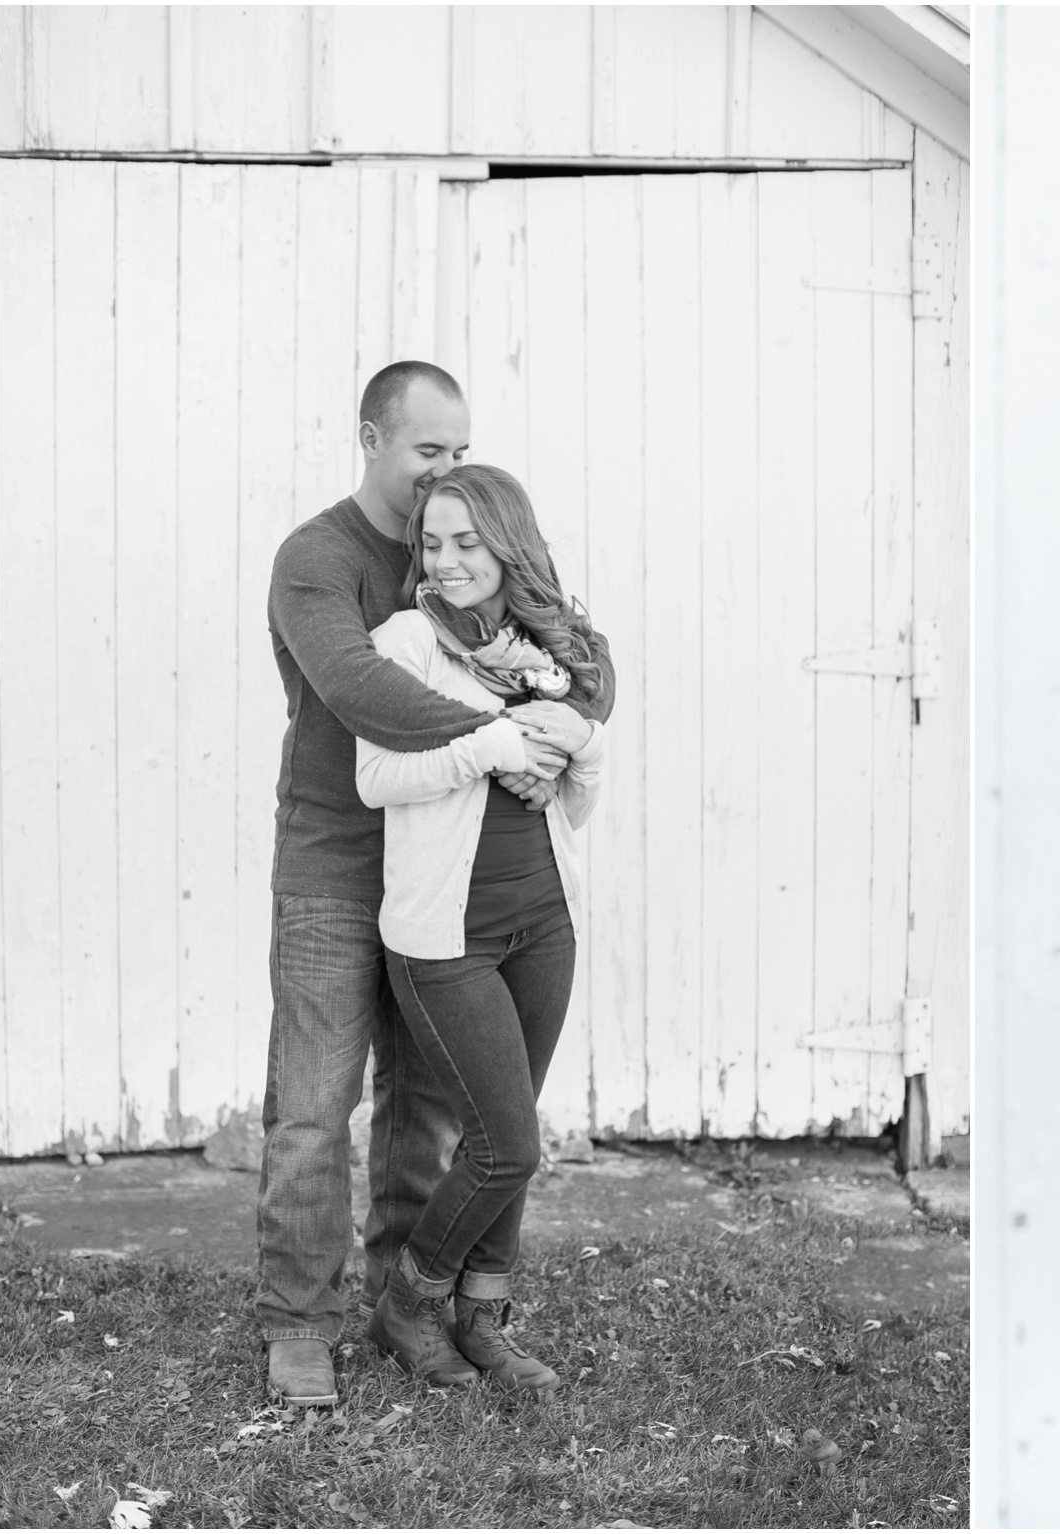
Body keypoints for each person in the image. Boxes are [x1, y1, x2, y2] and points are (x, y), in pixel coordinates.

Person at [260, 362, 613, 1408]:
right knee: (313, 1110)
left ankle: (401, 1303)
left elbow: (582, 670)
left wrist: (562, 725)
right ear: (369, 439)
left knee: (426, 1113)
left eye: (459, 451)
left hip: (449, 877)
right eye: (426, 452)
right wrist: (509, 737)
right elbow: (366, 691)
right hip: (335, 858)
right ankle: (297, 1325)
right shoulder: (316, 560)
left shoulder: (471, 538)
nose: (443, 474)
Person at [357, 464, 606, 1393]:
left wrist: (571, 753)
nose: (447, 561)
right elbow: (376, 779)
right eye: (432, 543)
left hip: (546, 919)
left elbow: (579, 783)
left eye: (467, 543)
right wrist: (487, 748)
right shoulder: (404, 643)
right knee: (507, 1143)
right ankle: (408, 1307)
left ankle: (484, 1318)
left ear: (507, 544)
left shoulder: (540, 642)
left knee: (508, 1136)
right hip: (445, 935)